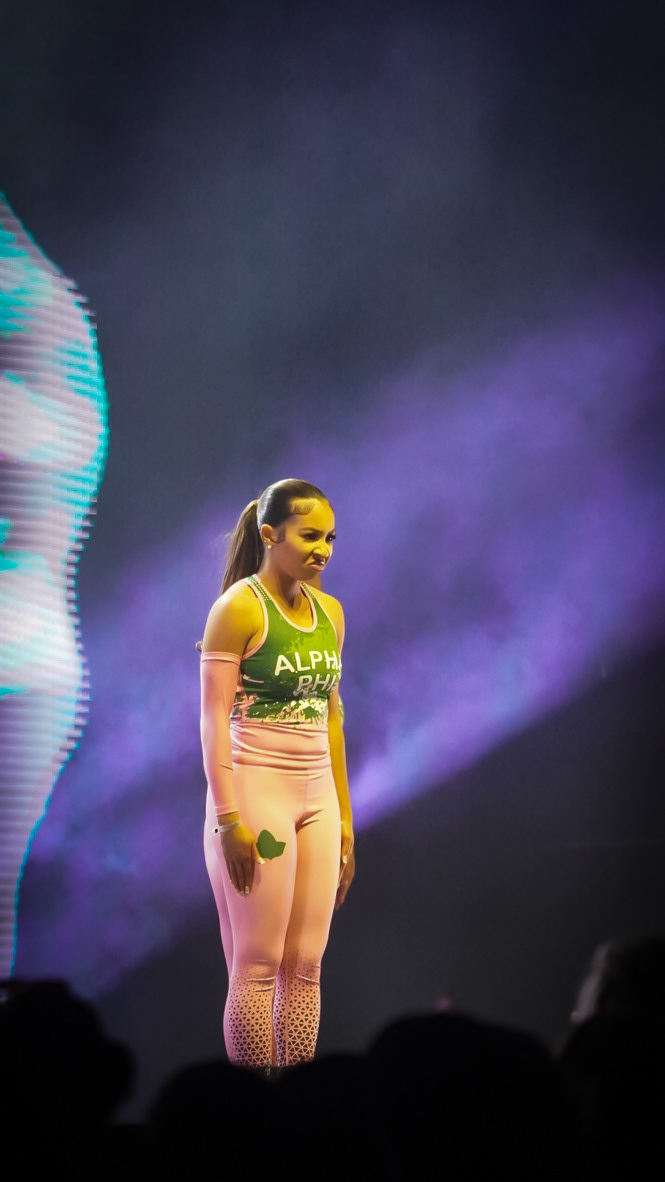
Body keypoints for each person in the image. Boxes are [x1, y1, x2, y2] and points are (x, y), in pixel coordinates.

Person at [199, 479, 354, 1071]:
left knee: (306, 965)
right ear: (270, 534)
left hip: (318, 798)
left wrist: (346, 820)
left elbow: (332, 717)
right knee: (258, 964)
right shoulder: (239, 609)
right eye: (310, 535)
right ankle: (252, 1109)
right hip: (256, 789)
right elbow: (212, 722)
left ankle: (297, 1098)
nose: (323, 549)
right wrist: (228, 819)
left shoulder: (330, 613)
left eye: (330, 538)